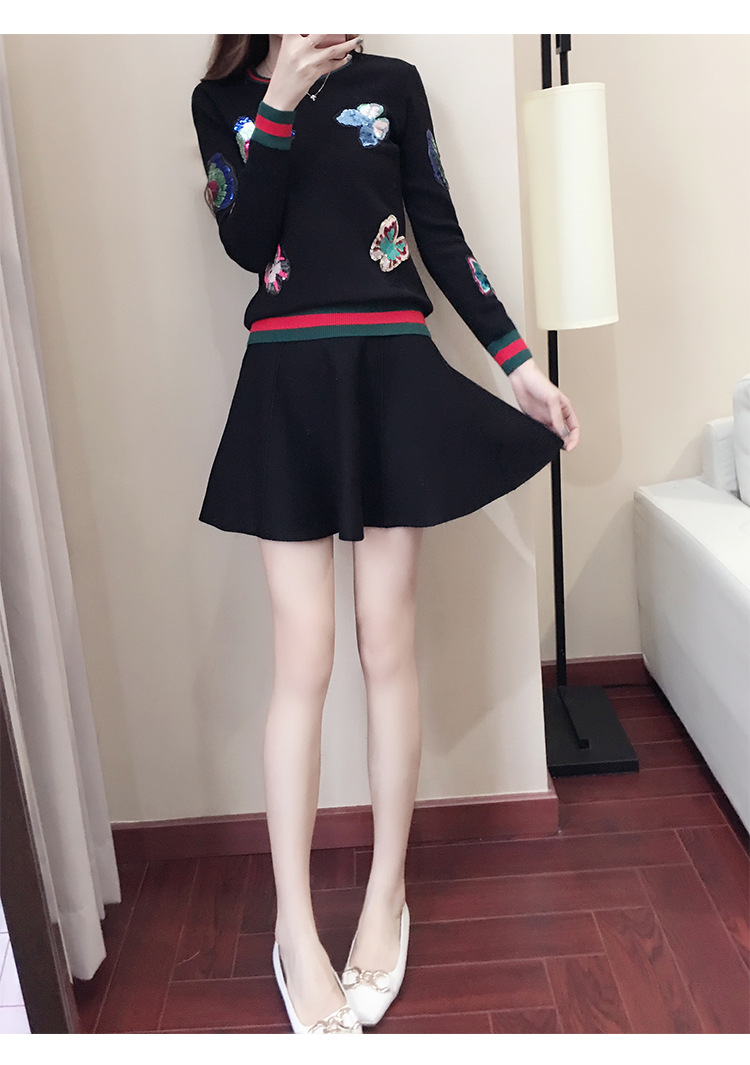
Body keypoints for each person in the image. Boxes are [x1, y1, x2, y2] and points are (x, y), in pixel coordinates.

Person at [191, 33, 579, 1035]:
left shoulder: (393, 86)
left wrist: (518, 365)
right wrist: (278, 101)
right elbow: (247, 240)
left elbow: (438, 231)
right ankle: (294, 927)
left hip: (394, 376)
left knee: (387, 645)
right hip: (287, 380)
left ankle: (385, 896)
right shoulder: (221, 101)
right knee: (303, 661)